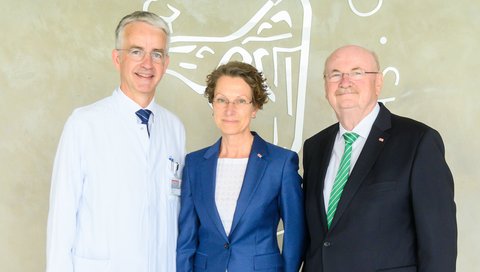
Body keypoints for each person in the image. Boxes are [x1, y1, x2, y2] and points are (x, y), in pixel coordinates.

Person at [46, 11, 185, 272]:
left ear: (166, 63)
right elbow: (62, 217)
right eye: (136, 51)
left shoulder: (174, 128)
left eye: (156, 54)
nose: (147, 63)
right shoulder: (84, 123)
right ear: (117, 58)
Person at [302, 45, 457, 272]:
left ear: (378, 82)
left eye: (357, 72)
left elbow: (439, 243)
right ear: (326, 85)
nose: (345, 81)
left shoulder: (418, 141)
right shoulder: (315, 147)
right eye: (335, 74)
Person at [176, 61, 305, 272]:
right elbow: (186, 238)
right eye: (221, 100)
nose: (230, 110)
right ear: (213, 104)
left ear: (255, 107)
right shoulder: (195, 164)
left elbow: (295, 233)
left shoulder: (280, 163)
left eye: (241, 101)